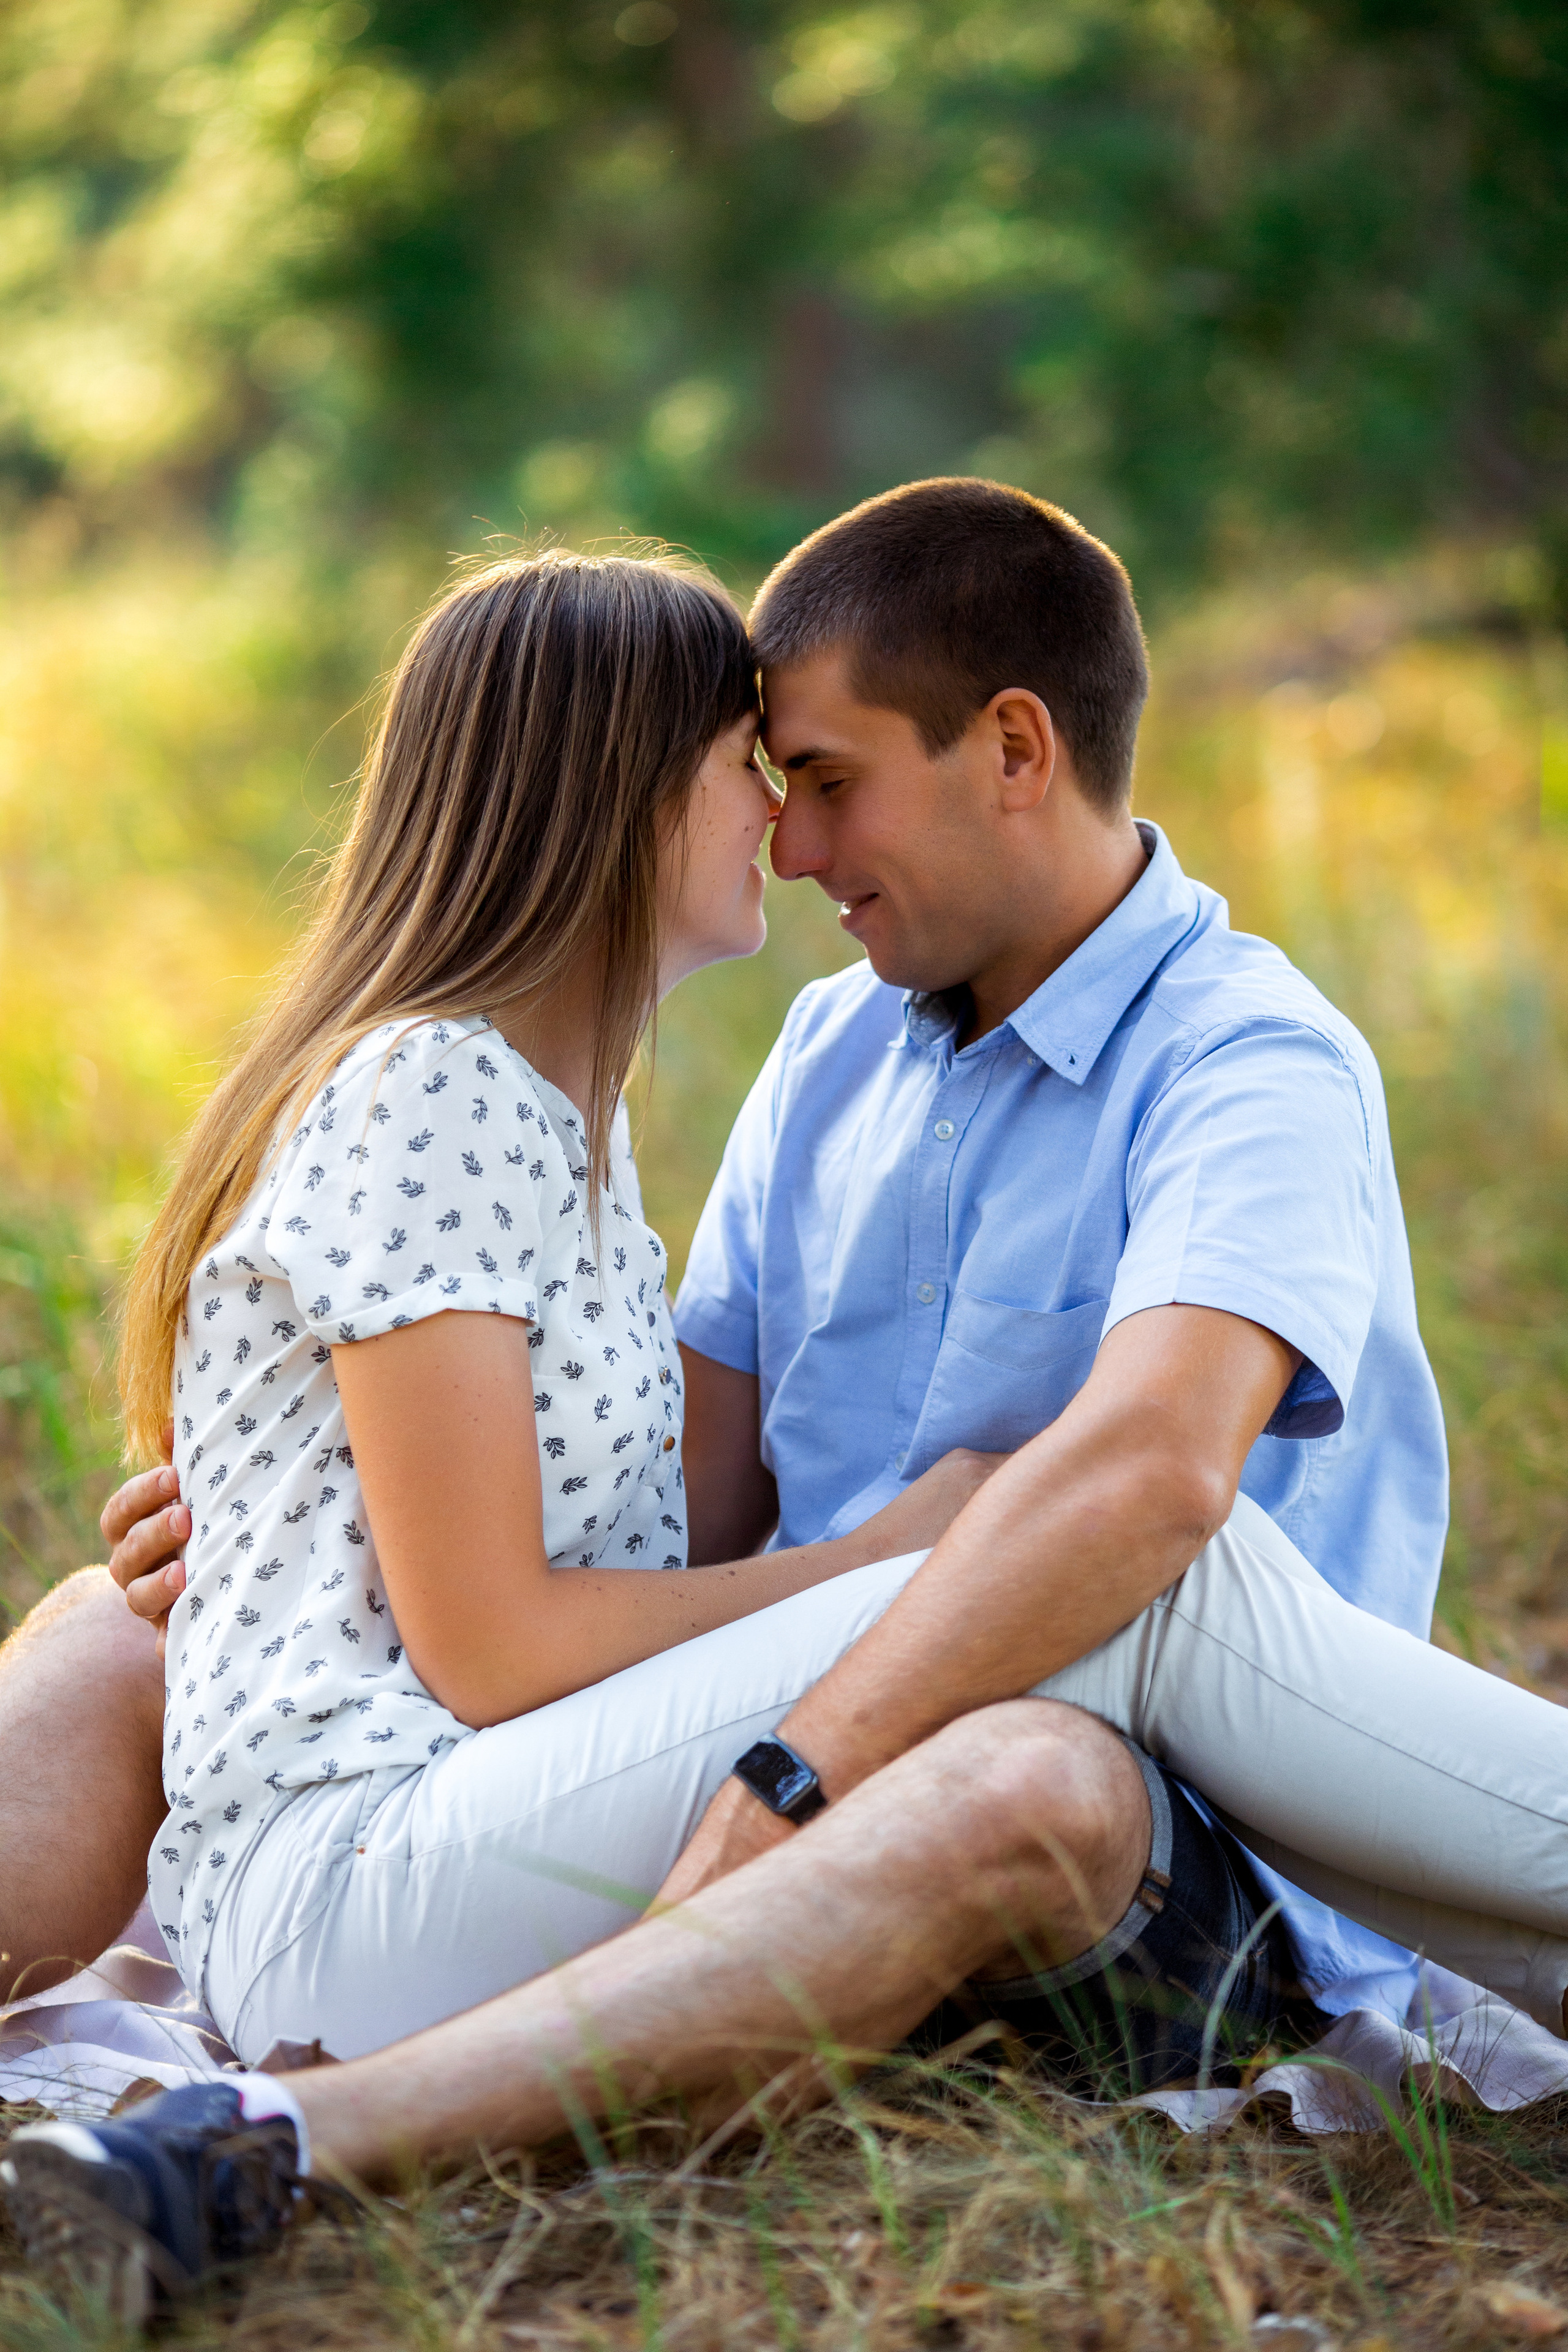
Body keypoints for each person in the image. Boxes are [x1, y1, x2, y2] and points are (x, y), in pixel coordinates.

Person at [8, 483, 1568, 2318]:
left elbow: (1144, 1478)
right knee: (100, 1626)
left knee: (1110, 1551)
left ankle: (275, 2142)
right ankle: (273, 2130)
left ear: (1010, 749)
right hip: (634, 1799)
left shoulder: (1247, 1058)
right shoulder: (747, 1066)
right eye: (757, 772)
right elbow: (644, 1530)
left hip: (1132, 1835)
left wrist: (798, 1750)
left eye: (822, 774)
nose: (792, 831)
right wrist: (304, 1511)